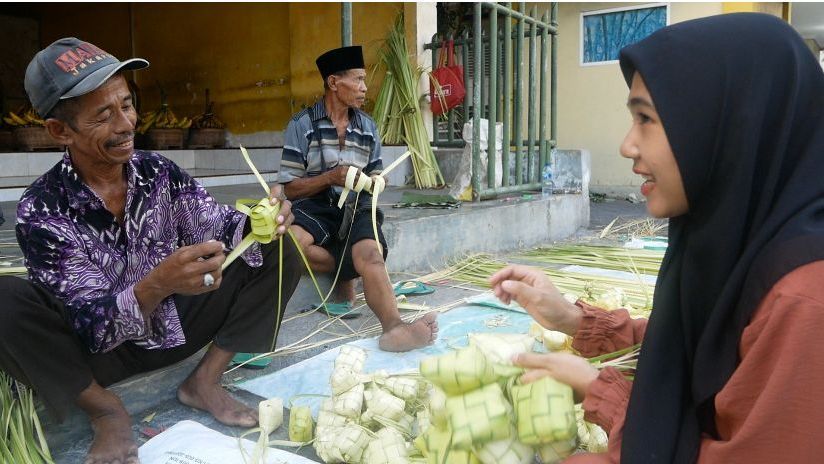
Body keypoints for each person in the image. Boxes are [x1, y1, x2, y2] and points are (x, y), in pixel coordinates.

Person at [491, 13, 824, 463]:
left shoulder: (804, 301)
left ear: (728, 128)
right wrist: (574, 319)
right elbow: (703, 344)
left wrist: (600, 392)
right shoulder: (739, 238)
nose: (628, 145)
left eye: (645, 118)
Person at [0, 38, 302, 464]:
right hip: (100, 359)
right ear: (60, 131)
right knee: (5, 301)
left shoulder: (158, 172)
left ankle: (205, 381)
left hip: (180, 325)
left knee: (281, 248)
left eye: (126, 105)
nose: (126, 125)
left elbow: (220, 226)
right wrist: (154, 286)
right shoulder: (42, 209)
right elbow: (88, 328)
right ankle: (105, 411)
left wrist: (262, 221)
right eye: (104, 115)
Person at [280, 45, 437, 352]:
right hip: (316, 204)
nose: (365, 88)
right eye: (359, 80)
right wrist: (330, 177)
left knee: (370, 254)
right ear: (334, 83)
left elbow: (379, 171)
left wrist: (378, 180)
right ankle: (346, 272)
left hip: (359, 203)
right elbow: (290, 188)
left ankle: (394, 328)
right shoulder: (302, 125)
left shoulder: (367, 126)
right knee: (291, 243)